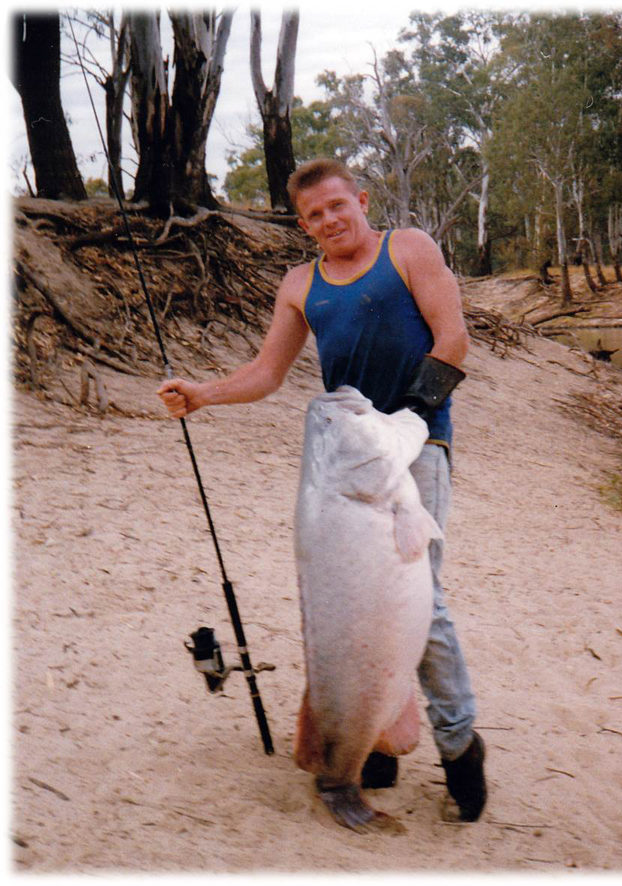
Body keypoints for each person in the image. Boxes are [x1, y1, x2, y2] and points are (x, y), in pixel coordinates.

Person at [157, 158, 486, 823]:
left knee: (422, 600)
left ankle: (458, 747)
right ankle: (377, 744)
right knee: (352, 602)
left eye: (339, 206)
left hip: (415, 447)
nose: (331, 220)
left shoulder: (408, 250)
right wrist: (203, 395)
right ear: (304, 226)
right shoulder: (301, 284)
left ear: (361, 200)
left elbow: (454, 339)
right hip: (344, 460)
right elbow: (268, 371)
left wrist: (413, 419)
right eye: (315, 215)